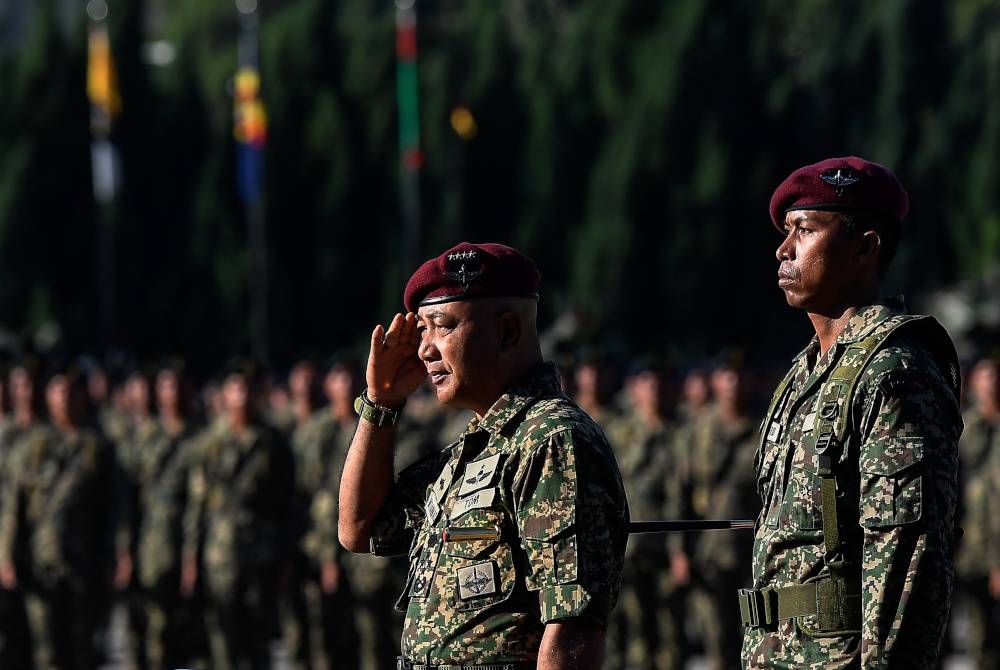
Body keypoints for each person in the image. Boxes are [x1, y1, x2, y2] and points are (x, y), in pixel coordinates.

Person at [338, 242, 629, 669]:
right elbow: (359, 529)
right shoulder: (476, 446)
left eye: (441, 326)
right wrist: (380, 405)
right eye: (422, 331)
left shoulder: (551, 440)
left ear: (508, 331)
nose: (424, 349)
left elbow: (572, 629)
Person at [740, 157, 963, 668]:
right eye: (786, 232)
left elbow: (907, 558)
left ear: (865, 248)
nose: (783, 249)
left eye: (805, 230)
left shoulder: (895, 372)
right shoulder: (805, 372)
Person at [0, 365, 118, 670]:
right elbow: (16, 504)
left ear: (82, 396)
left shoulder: (98, 448)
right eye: (57, 391)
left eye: (70, 391)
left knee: (83, 651)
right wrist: (7, 554)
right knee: (46, 652)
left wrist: (116, 556)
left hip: (84, 566)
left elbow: (113, 510)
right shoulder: (34, 446)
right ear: (48, 396)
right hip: (41, 563)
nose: (64, 398)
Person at [181, 361, 293, 670]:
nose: (241, 395)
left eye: (248, 388)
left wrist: (285, 557)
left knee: (259, 646)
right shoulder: (210, 443)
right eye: (235, 388)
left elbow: (286, 503)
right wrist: (191, 559)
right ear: (225, 394)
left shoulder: (272, 442)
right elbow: (197, 506)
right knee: (222, 644)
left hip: (261, 557)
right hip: (220, 558)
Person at [955, 357, 1000, 669]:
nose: (991, 383)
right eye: (985, 377)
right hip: (968, 549)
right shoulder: (965, 429)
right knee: (975, 634)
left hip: (996, 549)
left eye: (995, 376)